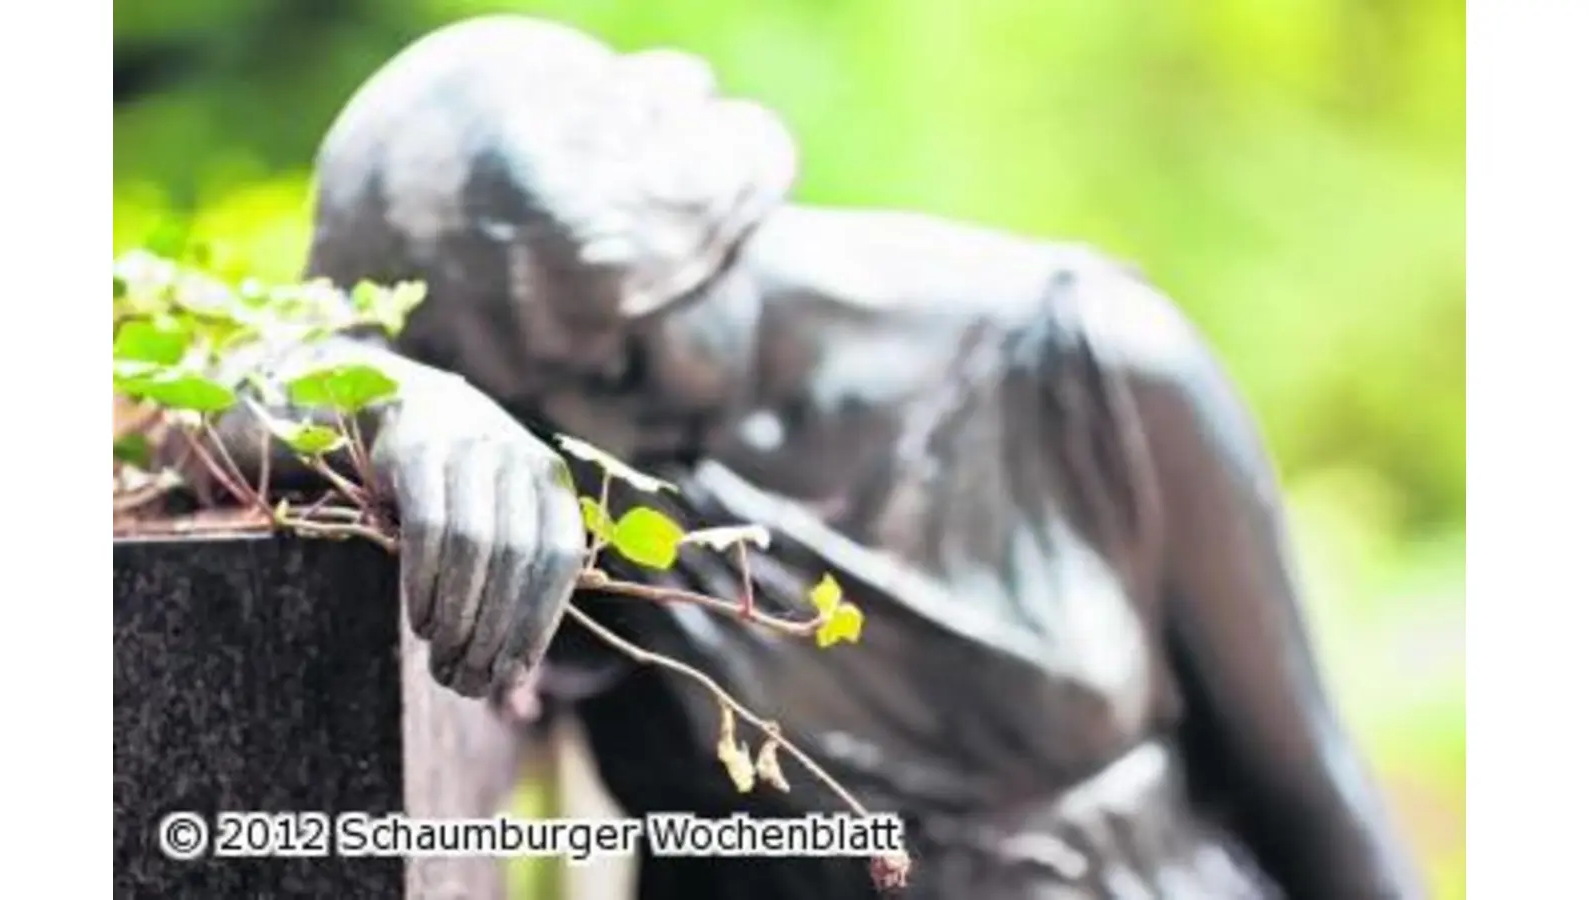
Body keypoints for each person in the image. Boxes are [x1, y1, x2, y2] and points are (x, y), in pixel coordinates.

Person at [239, 15, 1426, 900]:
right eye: (524, 395)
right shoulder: (551, 453)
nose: (589, 426)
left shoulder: (1090, 365)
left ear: (705, 231)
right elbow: (195, 403)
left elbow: (1309, 789)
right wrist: (405, 406)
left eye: (610, 360)